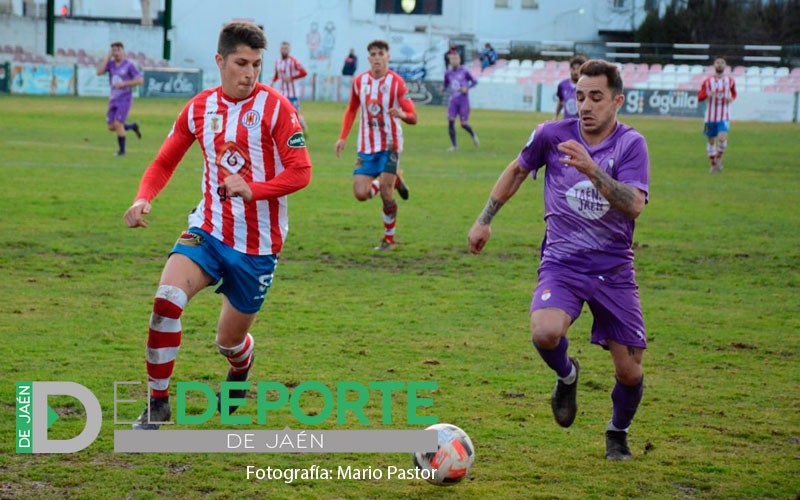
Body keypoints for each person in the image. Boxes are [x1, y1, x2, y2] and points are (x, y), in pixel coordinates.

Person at [123, 21, 312, 430]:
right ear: (220, 61)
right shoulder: (198, 108)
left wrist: (254, 189)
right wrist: (143, 197)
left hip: (257, 247)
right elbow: (163, 161)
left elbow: (301, 173)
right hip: (207, 231)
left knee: (228, 342)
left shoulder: (278, 108)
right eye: (241, 63)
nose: (250, 73)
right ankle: (157, 404)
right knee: (166, 302)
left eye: (257, 65)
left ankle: (241, 368)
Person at [468, 59, 650, 461]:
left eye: (596, 97)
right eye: (580, 96)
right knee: (544, 332)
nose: (585, 105)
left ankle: (617, 431)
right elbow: (517, 170)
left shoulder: (630, 144)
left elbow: (634, 205)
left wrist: (590, 168)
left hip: (613, 270)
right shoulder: (551, 134)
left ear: (618, 100)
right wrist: (484, 220)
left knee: (629, 373)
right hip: (563, 264)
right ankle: (567, 375)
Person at [334, 39, 417, 251]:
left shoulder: (397, 82)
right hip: (366, 147)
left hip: (390, 145)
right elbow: (352, 109)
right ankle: (393, 179)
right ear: (368, 58)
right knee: (360, 193)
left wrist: (402, 114)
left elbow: (413, 116)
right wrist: (343, 137)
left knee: (387, 195)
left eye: (381, 53)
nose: (377, 57)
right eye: (373, 54)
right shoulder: (360, 82)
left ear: (388, 57)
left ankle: (389, 239)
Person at [96, 41, 143, 156]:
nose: (116, 53)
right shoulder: (111, 64)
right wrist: (107, 57)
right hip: (113, 99)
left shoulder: (129, 65)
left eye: (118, 50)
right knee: (111, 127)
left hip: (125, 99)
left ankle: (122, 151)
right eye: (113, 51)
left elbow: (140, 80)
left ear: (123, 51)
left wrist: (124, 84)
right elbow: (99, 72)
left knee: (117, 123)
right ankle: (132, 126)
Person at [698, 56, 737, 173]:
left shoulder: (730, 81)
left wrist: (731, 98)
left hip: (724, 115)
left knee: (722, 138)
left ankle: (719, 158)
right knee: (711, 141)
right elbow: (700, 97)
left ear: (725, 66)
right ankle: (714, 164)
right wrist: (707, 96)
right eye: (717, 63)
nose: (720, 64)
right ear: (714, 66)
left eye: (722, 63)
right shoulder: (707, 81)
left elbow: (734, 93)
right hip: (709, 117)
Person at [441, 52, 479, 151]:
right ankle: (454, 146)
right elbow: (446, 83)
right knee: (450, 120)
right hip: (453, 100)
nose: (454, 61)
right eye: (452, 59)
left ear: (459, 60)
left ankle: (473, 133)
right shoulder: (448, 73)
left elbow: (475, 81)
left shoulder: (465, 71)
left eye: (456, 59)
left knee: (463, 124)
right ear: (449, 61)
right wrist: (443, 88)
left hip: (463, 101)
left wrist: (467, 87)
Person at [271, 41, 309, 130]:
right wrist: (272, 83)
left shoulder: (293, 61)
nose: (284, 50)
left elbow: (304, 72)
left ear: (289, 50)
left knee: (295, 113)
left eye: (285, 49)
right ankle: (284, 130)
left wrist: (291, 78)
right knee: (280, 112)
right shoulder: (277, 62)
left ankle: (303, 128)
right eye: (282, 48)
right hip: (281, 93)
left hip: (292, 93)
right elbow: (277, 74)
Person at [554, 55, 587, 121]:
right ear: (570, 69)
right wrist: (556, 116)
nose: (575, 72)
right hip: (567, 123)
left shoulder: (586, 86)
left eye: (578, 69)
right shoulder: (562, 85)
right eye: (573, 68)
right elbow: (561, 101)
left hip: (581, 123)